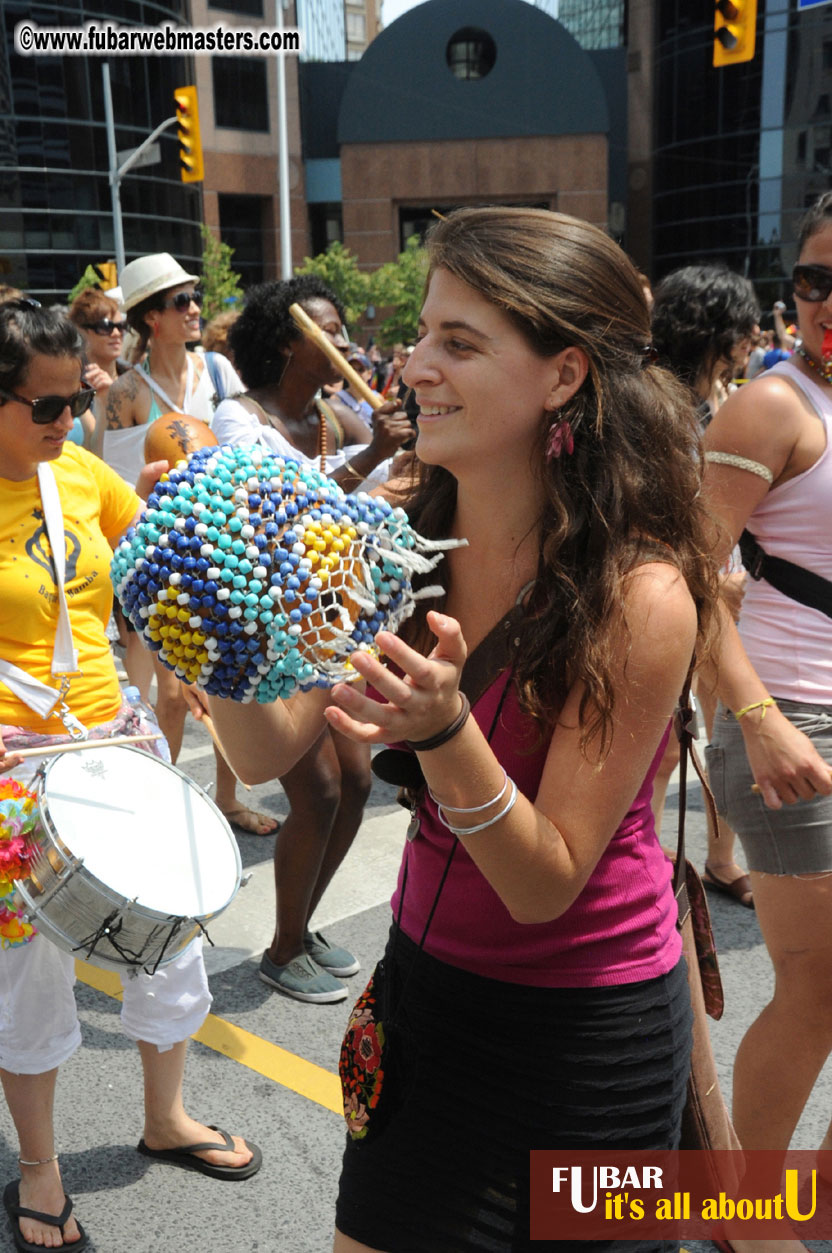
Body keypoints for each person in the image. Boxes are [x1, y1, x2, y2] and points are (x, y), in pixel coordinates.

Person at [194, 206, 718, 1251]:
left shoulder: (640, 591)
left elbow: (544, 881)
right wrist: (215, 614)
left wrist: (443, 730)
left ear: (564, 374)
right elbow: (261, 750)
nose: (411, 366)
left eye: (459, 343)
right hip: (424, 1003)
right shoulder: (395, 536)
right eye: (423, 334)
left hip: (584, 1043)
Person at [0, 300, 260, 1253]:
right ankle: (38, 1166)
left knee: (174, 938)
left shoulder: (78, 473)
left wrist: (181, 510)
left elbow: (151, 563)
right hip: (12, 767)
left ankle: (167, 1114)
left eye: (77, 401)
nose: (68, 423)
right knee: (29, 973)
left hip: (111, 740)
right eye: (47, 407)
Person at [212, 277, 413, 1003]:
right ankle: (283, 944)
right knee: (320, 790)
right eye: (330, 329)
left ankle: (301, 921)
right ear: (292, 341)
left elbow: (381, 481)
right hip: (274, 628)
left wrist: (401, 440)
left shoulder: (332, 412)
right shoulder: (238, 419)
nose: (347, 341)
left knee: (359, 782)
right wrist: (370, 461)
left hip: (333, 618)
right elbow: (281, 507)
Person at [702, 191, 832, 1221]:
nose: (824, 301)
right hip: (792, 716)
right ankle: (743, 1211)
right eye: (812, 279)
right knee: (815, 986)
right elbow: (684, 578)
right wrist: (753, 714)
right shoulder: (771, 406)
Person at [104, 253, 276, 838]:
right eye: (181, 300)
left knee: (232, 683)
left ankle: (228, 800)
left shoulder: (222, 374)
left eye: (193, 296)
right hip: (166, 562)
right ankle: (157, 817)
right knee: (174, 696)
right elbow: (119, 493)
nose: (196, 308)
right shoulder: (125, 393)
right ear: (151, 318)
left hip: (231, 551)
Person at [650, 263, 760, 908]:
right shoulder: (659, 403)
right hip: (675, 591)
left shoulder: (722, 397)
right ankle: (645, 851)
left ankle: (719, 857)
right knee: (667, 742)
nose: (753, 332)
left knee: (726, 734)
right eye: (742, 322)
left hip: (724, 586)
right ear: (710, 327)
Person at [67, 288, 127, 456]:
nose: (116, 333)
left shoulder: (134, 380)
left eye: (120, 326)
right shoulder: (69, 387)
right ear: (81, 331)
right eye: (105, 326)